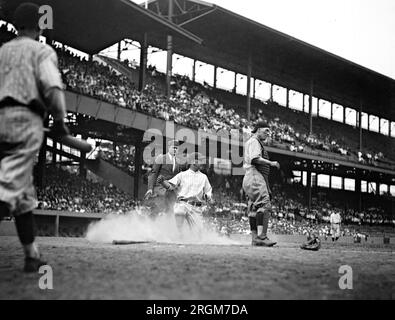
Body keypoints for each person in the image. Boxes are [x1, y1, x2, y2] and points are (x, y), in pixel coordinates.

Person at [0, 3, 69, 272]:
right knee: (8, 190)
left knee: (23, 195)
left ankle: (32, 255)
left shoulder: (3, 50)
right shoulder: (41, 50)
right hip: (25, 119)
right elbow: (52, 87)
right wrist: (61, 120)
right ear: (38, 25)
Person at [243, 121, 280, 246]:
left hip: (250, 177)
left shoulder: (251, 141)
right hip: (254, 175)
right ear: (258, 130)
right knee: (265, 205)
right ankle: (262, 237)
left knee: (254, 208)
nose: (268, 134)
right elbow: (255, 159)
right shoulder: (254, 141)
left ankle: (255, 238)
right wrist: (271, 163)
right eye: (266, 130)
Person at [158, 152, 213, 235]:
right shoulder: (182, 175)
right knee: (179, 216)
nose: (202, 162)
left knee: (198, 234)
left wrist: (207, 196)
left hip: (195, 207)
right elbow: (170, 186)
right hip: (182, 204)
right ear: (194, 162)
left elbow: (208, 191)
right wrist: (163, 182)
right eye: (200, 160)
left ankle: (185, 238)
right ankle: (178, 235)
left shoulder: (203, 177)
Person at [144, 140, 182, 216]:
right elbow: (153, 174)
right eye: (173, 148)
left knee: (170, 212)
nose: (175, 150)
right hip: (160, 190)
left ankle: (165, 226)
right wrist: (150, 188)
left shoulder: (179, 161)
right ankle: (148, 226)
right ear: (169, 148)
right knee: (156, 211)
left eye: (176, 148)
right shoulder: (161, 158)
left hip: (172, 191)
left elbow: (179, 178)